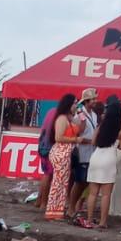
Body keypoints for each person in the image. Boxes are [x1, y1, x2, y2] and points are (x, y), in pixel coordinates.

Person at [80, 96, 121, 228]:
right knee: (105, 195)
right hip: (109, 158)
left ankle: (89, 219)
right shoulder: (120, 127)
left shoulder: (101, 125)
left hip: (96, 156)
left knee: (93, 193)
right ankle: (103, 222)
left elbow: (93, 142)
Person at [43, 93, 81, 221]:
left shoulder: (68, 118)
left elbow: (80, 125)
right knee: (58, 183)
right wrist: (75, 139)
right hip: (61, 152)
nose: (76, 105)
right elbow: (58, 137)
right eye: (75, 103)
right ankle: (53, 211)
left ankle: (57, 210)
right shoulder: (61, 119)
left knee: (62, 183)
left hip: (65, 153)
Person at [66, 89, 98, 220]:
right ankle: (71, 207)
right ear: (86, 101)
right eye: (93, 100)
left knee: (85, 182)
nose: (95, 101)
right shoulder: (79, 116)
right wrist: (90, 140)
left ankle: (75, 206)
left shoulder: (94, 115)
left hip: (91, 152)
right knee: (79, 181)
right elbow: (76, 134)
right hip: (82, 151)